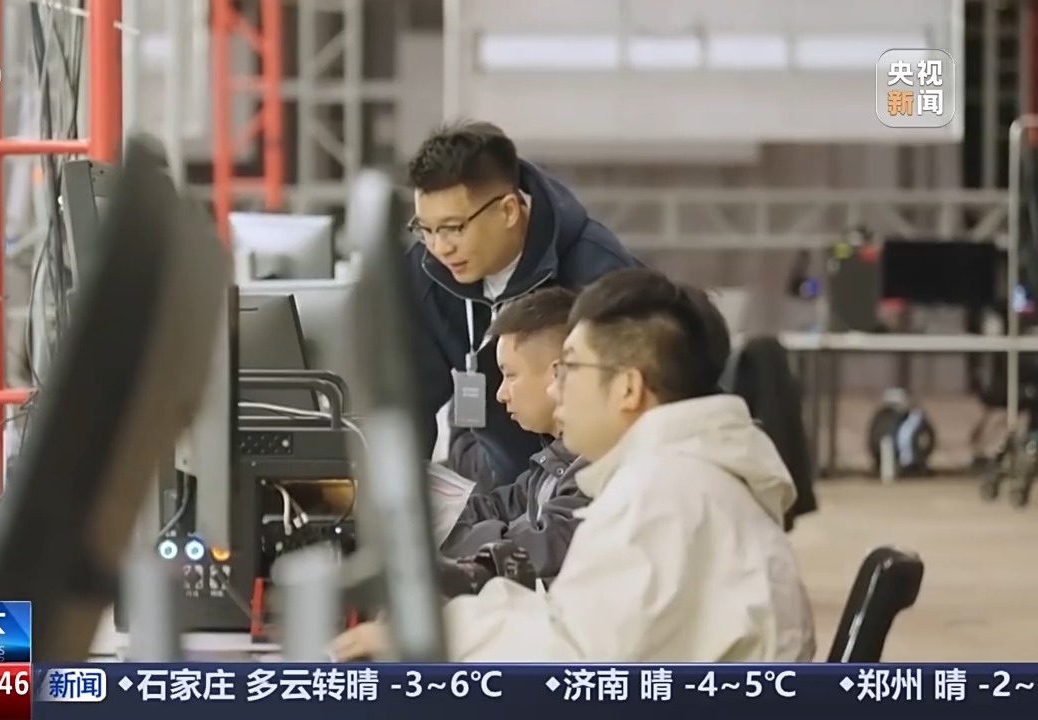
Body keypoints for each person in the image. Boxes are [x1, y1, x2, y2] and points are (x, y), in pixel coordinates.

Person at [333, 269, 815, 662]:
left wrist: (429, 635)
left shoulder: (664, 494)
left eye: (569, 368)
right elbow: (572, 622)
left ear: (628, 388)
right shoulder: (678, 476)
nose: (556, 388)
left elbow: (569, 660)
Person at [406, 121, 640, 487]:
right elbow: (407, 405)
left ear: (509, 211)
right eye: (426, 229)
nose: (440, 247)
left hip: (584, 482)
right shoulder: (428, 274)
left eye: (453, 228)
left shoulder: (597, 273)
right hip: (493, 475)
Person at [440, 288, 589, 579]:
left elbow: (539, 547)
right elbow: (496, 506)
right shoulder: (550, 466)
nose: (501, 394)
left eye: (510, 375)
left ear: (557, 374)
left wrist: (445, 535)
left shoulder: (590, 469)